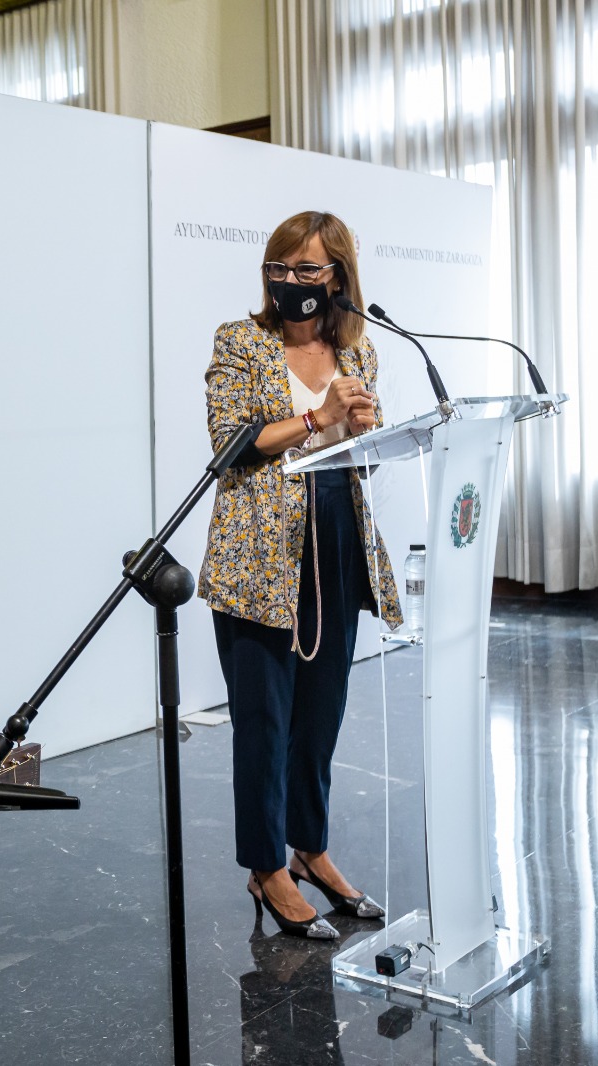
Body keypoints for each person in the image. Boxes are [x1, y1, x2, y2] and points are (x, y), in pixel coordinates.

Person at [198, 211, 403, 939]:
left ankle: (309, 850)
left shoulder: (359, 350)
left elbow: (361, 452)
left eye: (307, 269)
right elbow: (230, 443)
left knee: (319, 716)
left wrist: (366, 430)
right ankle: (266, 866)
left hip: (336, 540)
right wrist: (318, 417)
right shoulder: (240, 341)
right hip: (258, 553)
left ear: (338, 276)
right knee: (264, 722)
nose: (290, 280)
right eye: (279, 267)